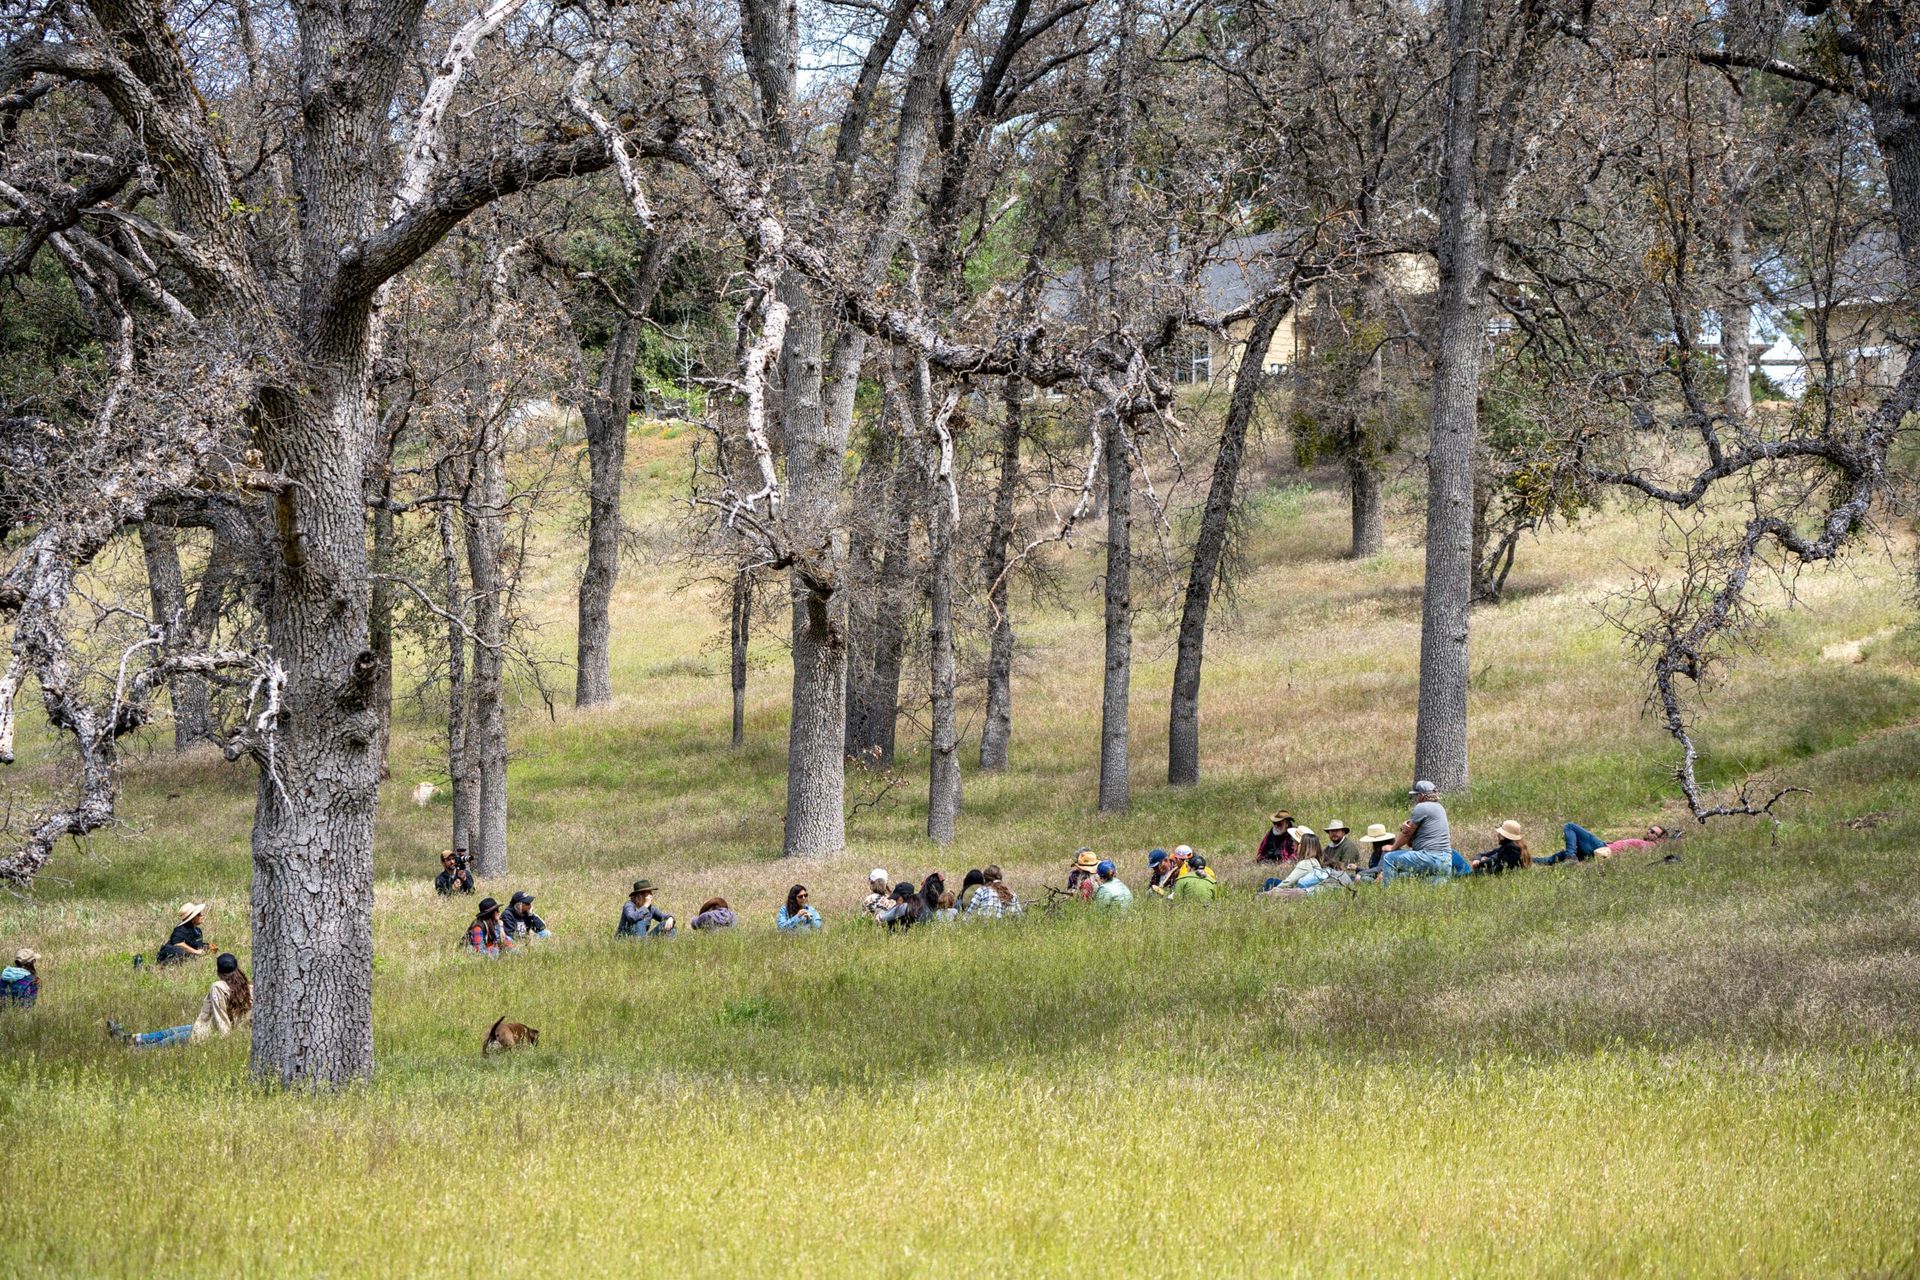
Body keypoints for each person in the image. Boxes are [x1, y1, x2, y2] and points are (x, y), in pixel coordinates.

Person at [107, 953, 252, 1048]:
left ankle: (133, 1048)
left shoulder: (218, 987)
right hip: (208, 1027)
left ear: (218, 972)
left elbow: (221, 1018)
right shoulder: (249, 989)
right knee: (170, 1032)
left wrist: (224, 1042)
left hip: (210, 1033)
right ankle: (129, 1038)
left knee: (169, 1040)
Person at [1379, 782, 1455, 882]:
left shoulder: (1421, 807)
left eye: (1416, 795)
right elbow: (1412, 840)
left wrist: (1393, 847)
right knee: (1431, 889)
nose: (1415, 798)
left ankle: (1387, 893)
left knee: (1389, 858)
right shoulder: (1440, 808)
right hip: (1445, 862)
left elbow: (1407, 835)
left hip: (1429, 858)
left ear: (1422, 796)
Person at [1537, 821, 1680, 866]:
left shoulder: (1651, 846)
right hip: (1600, 850)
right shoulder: (1643, 842)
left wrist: (1673, 840)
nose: (1649, 832)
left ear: (1660, 839)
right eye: (1650, 829)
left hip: (1602, 849)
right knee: (1552, 859)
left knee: (1570, 827)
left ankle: (1571, 857)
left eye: (1653, 832)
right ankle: (1524, 860)